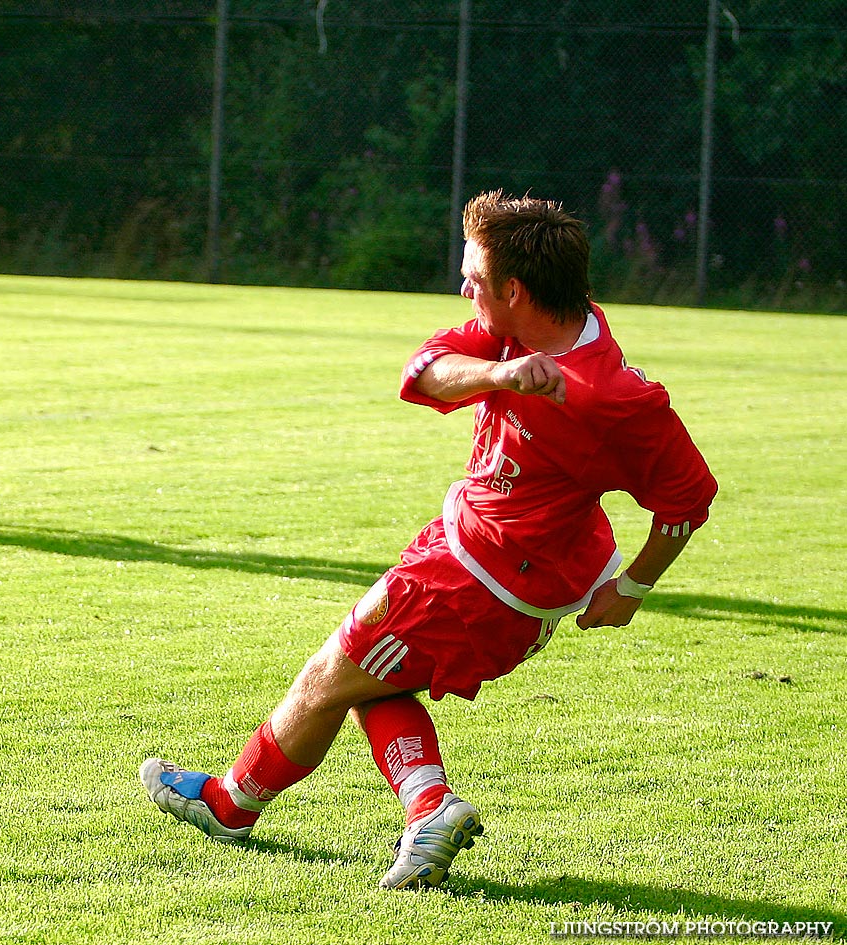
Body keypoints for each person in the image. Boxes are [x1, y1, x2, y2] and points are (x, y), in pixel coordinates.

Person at [140, 190, 718, 890]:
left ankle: (231, 805)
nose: (463, 286)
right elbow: (422, 375)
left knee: (329, 675)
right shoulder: (525, 330)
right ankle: (427, 809)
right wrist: (500, 375)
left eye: (474, 274)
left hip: (478, 583)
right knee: (371, 682)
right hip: (478, 559)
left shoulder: (610, 396)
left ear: (515, 288)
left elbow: (689, 497)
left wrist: (632, 589)